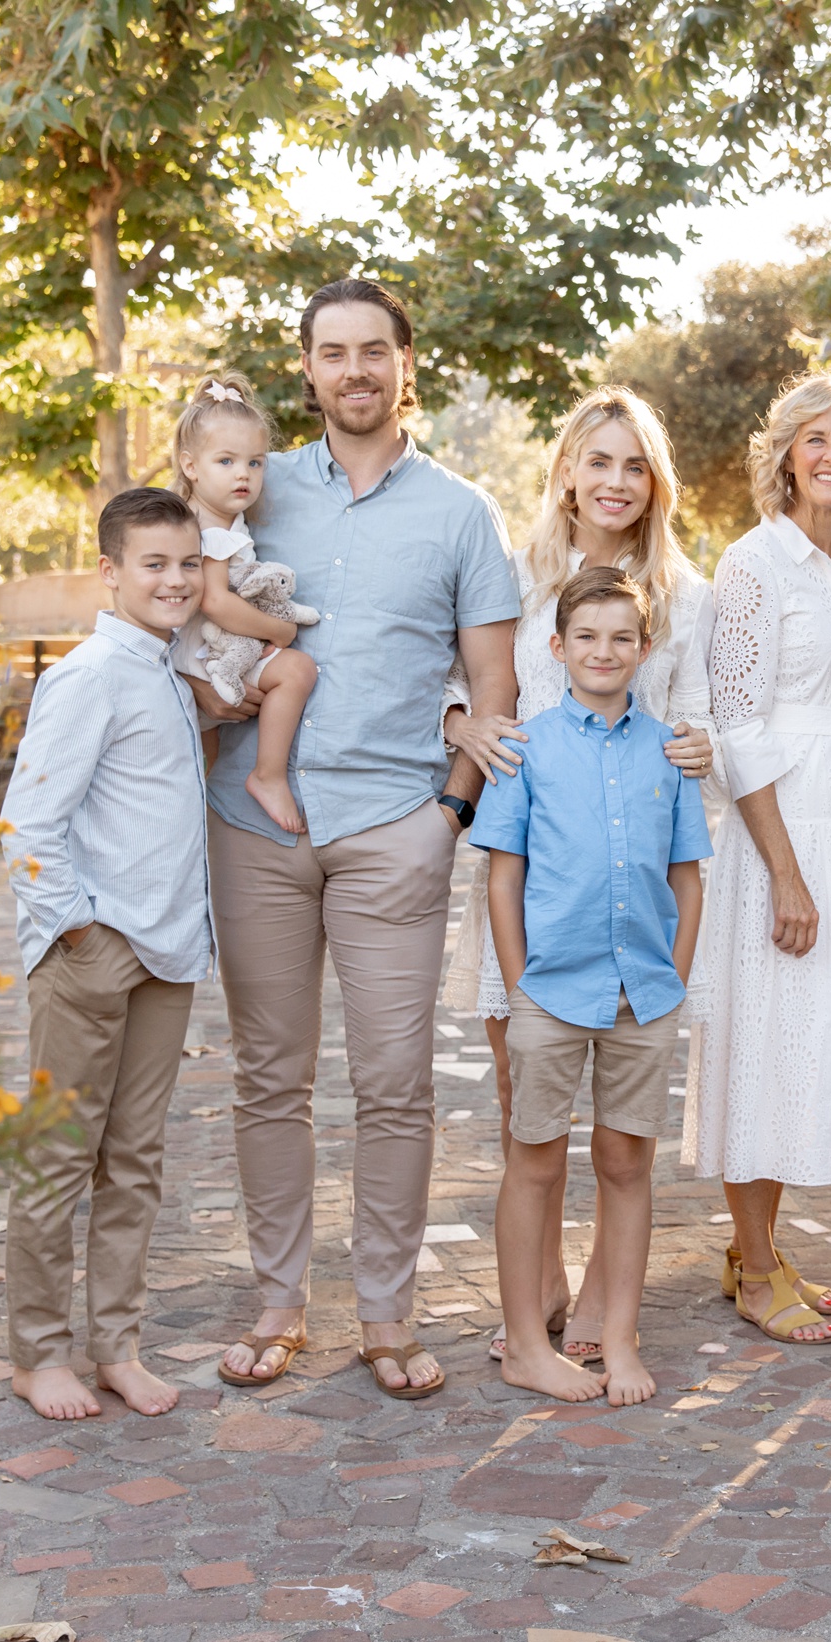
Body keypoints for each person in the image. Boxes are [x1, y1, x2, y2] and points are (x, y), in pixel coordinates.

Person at [196, 278, 520, 1399]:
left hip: (395, 830)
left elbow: (495, 685)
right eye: (332, 353)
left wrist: (452, 815)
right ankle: (278, 1299)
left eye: (372, 350)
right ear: (308, 370)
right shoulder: (250, 487)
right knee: (269, 1079)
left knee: (393, 1082)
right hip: (253, 823)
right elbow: (169, 603)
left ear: (405, 363)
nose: (354, 371)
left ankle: (387, 1310)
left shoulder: (461, 512)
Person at [440, 387, 715, 1365]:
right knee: (531, 1106)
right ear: (565, 469)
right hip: (533, 878)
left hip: (630, 883)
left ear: (655, 482)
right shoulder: (513, 577)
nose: (614, 480)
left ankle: (608, 1293)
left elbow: (699, 716)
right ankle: (539, 1290)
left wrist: (695, 744)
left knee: (623, 1133)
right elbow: (458, 681)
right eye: (597, 460)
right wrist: (461, 724)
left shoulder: (685, 594)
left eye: (633, 464)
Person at [684, 371, 831, 1345]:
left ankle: (756, 1246)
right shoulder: (752, 561)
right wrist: (782, 869)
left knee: (812, 1041)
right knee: (764, 1044)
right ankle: (756, 1261)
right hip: (787, 831)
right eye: (815, 438)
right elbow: (736, 723)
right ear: (783, 452)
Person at [0, 487, 214, 1422]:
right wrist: (78, 931)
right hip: (97, 951)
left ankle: (117, 1345)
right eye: (155, 564)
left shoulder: (169, 670)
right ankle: (38, 1352)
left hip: (167, 950)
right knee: (59, 1155)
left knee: (135, 1159)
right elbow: (30, 822)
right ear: (111, 571)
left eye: (188, 563)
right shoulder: (89, 673)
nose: (175, 580)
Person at [476, 566, 710, 1407]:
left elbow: (688, 877)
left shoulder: (669, 751)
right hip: (551, 991)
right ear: (558, 647)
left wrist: (672, 978)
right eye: (587, 636)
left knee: (626, 1164)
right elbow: (505, 880)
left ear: (644, 650)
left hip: (642, 995)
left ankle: (618, 1337)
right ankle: (527, 1347)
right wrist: (519, 986)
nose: (604, 651)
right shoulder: (528, 749)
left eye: (621, 637)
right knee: (533, 1162)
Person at [169, 373, 319, 836]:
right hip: (201, 660)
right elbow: (214, 600)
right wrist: (280, 633)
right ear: (191, 466)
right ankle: (268, 775)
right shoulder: (209, 529)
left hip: (210, 656)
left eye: (255, 463)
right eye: (226, 461)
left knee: (199, 774)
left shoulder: (221, 518)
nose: (243, 474)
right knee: (297, 670)